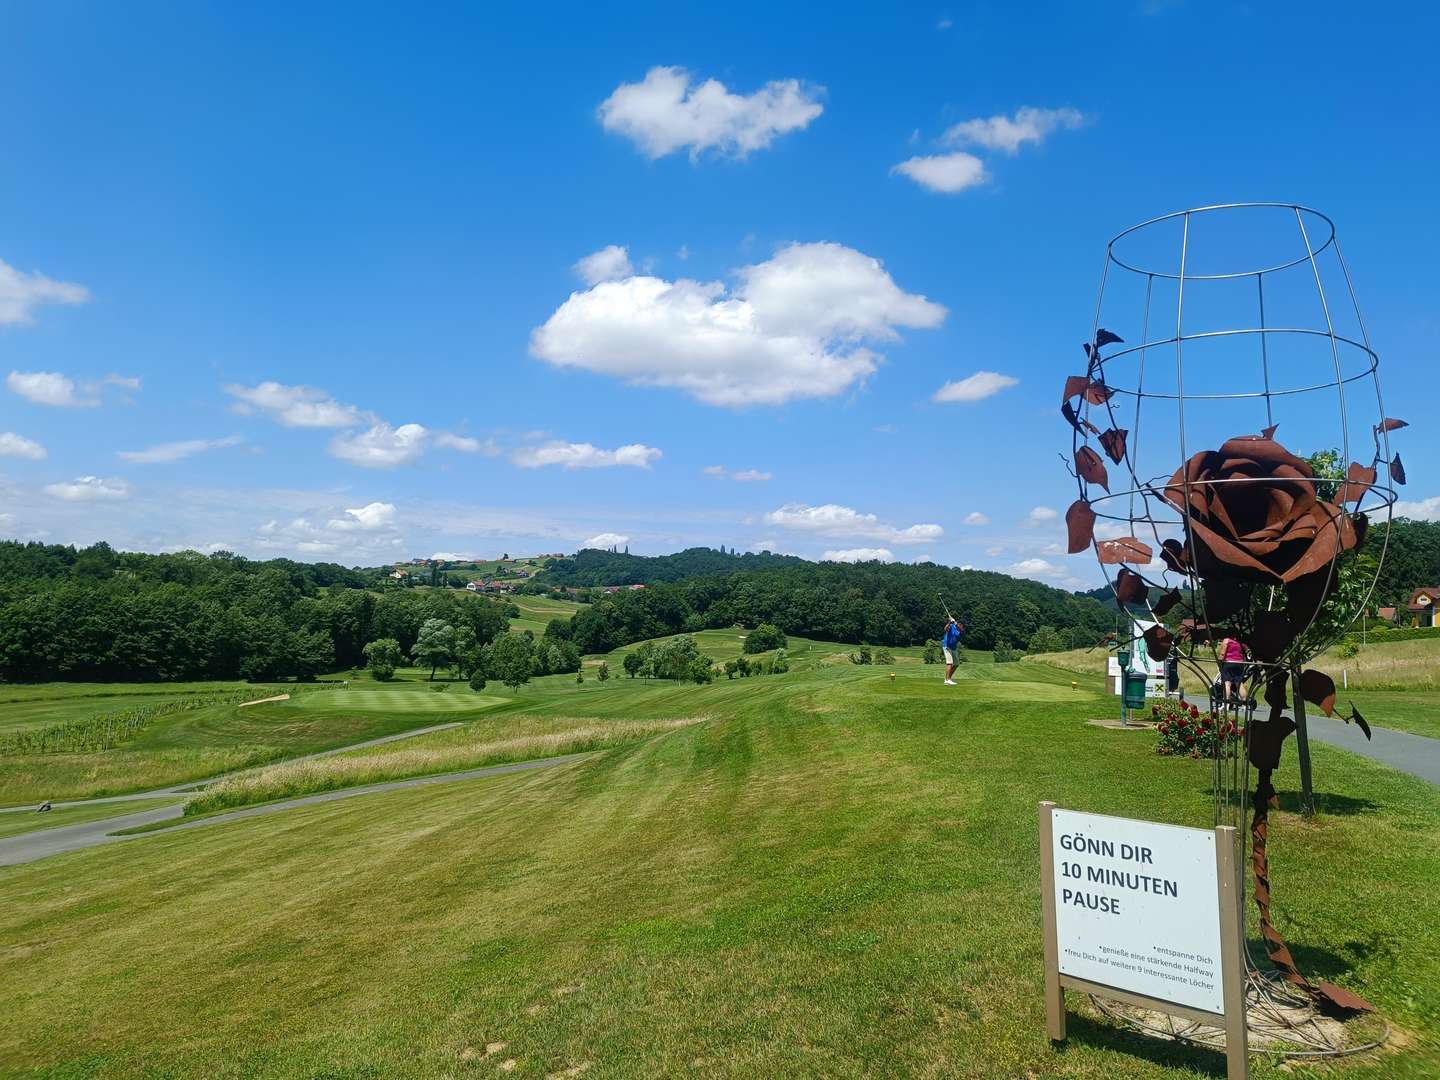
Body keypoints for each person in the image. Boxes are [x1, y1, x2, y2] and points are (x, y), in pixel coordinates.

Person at [1219, 634, 1246, 705]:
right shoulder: (1241, 642)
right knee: (1239, 683)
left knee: (1227, 683)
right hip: (1239, 663)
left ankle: (1226, 700)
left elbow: (1222, 653)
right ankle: (1244, 701)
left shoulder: (1227, 640)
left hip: (1228, 662)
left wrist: (1219, 663)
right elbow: (1244, 651)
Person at [941, 616, 964, 685]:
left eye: (962, 626)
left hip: (954, 647)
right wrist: (949, 622)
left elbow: (961, 630)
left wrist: (955, 623)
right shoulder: (951, 626)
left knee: (956, 663)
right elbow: (945, 629)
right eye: (961, 625)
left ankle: (948, 678)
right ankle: (947, 680)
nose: (961, 627)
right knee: (950, 663)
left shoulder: (960, 630)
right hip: (947, 646)